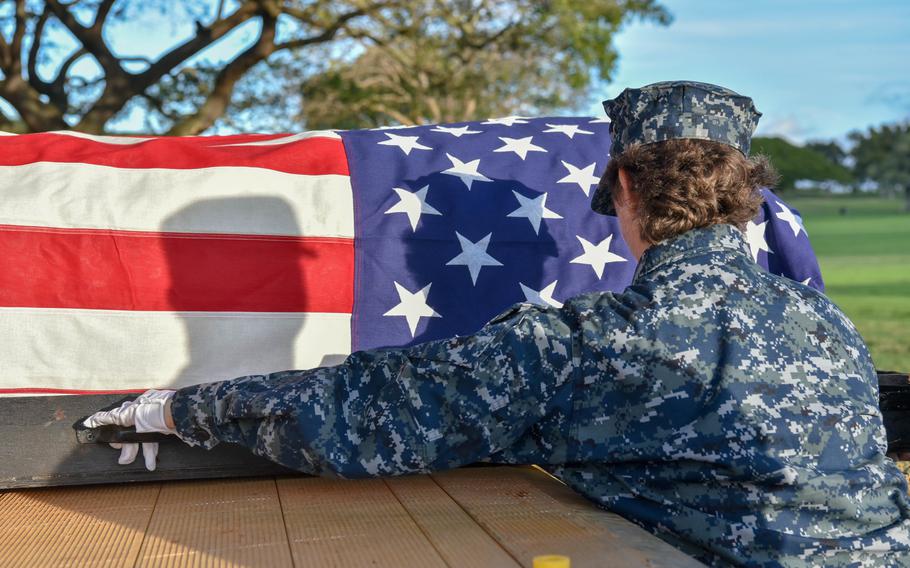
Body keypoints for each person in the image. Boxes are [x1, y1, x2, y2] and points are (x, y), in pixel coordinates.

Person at [84, 81, 910, 566]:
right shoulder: (824, 323)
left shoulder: (588, 345)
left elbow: (368, 419)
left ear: (624, 191)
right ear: (747, 196)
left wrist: (177, 408)